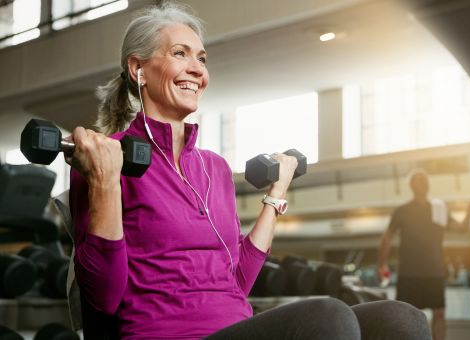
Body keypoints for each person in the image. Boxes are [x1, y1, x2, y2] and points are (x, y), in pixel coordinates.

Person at [67, 2, 431, 339]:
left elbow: (237, 282)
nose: (197, 69)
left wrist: (277, 194)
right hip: (169, 333)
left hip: (234, 327)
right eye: (180, 54)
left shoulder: (215, 169)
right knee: (327, 316)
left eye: (202, 59)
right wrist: (105, 183)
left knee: (402, 320)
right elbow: (104, 298)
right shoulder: (107, 157)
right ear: (138, 69)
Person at [377, 170, 470, 340]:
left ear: (428, 186)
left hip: (434, 272)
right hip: (409, 272)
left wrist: (469, 213)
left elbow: (461, 229)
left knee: (439, 313)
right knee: (405, 314)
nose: (422, 182)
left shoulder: (438, 209)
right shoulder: (402, 211)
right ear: (411, 186)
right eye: (418, 180)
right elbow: (387, 238)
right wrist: (381, 264)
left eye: (425, 180)